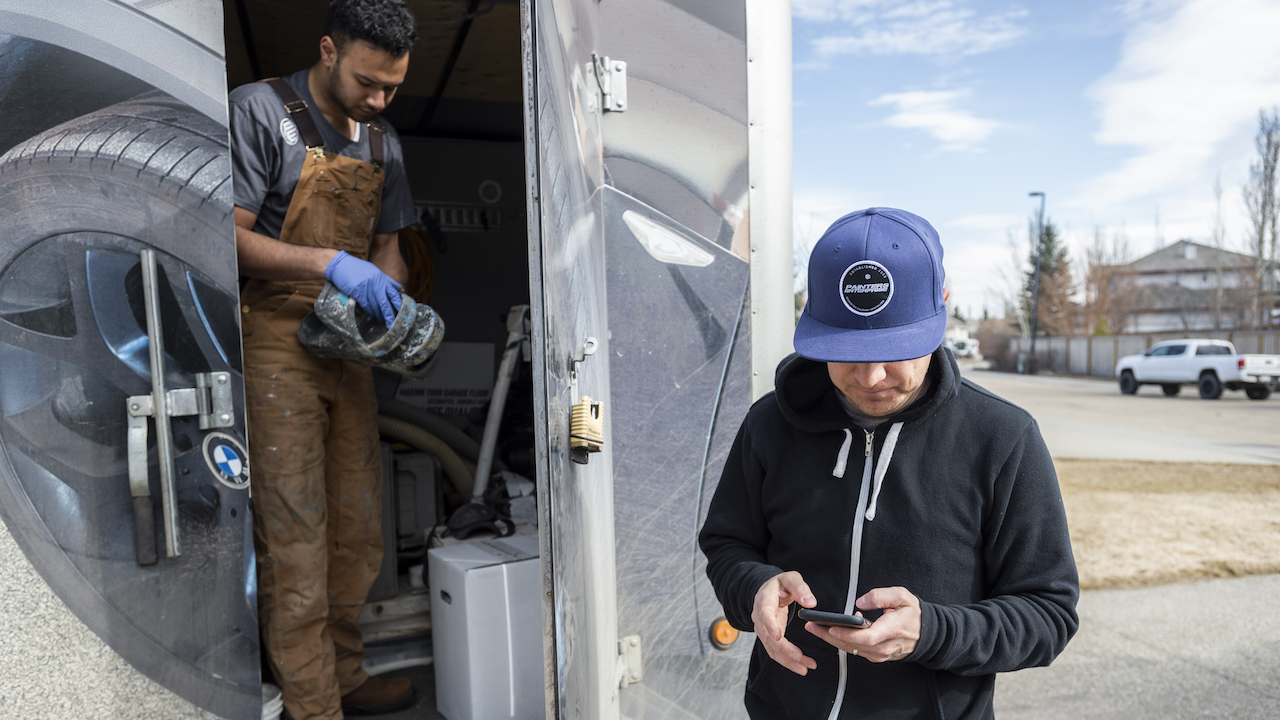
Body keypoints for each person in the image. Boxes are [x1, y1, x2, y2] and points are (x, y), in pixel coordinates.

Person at [699, 207, 1079, 719]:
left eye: (896, 350)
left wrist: (934, 632)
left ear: (943, 304)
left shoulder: (1003, 438)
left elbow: (1048, 614)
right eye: (849, 351)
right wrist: (754, 588)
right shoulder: (770, 423)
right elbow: (728, 544)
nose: (872, 377)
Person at [229, 1, 419, 717]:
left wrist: (390, 292)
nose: (378, 100)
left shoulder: (382, 141)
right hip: (278, 344)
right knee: (296, 537)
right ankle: (315, 706)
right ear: (328, 51)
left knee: (358, 532)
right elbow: (229, 235)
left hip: (351, 350)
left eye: (392, 88)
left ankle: (345, 675)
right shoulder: (259, 112)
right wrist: (330, 263)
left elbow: (389, 248)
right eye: (368, 83)